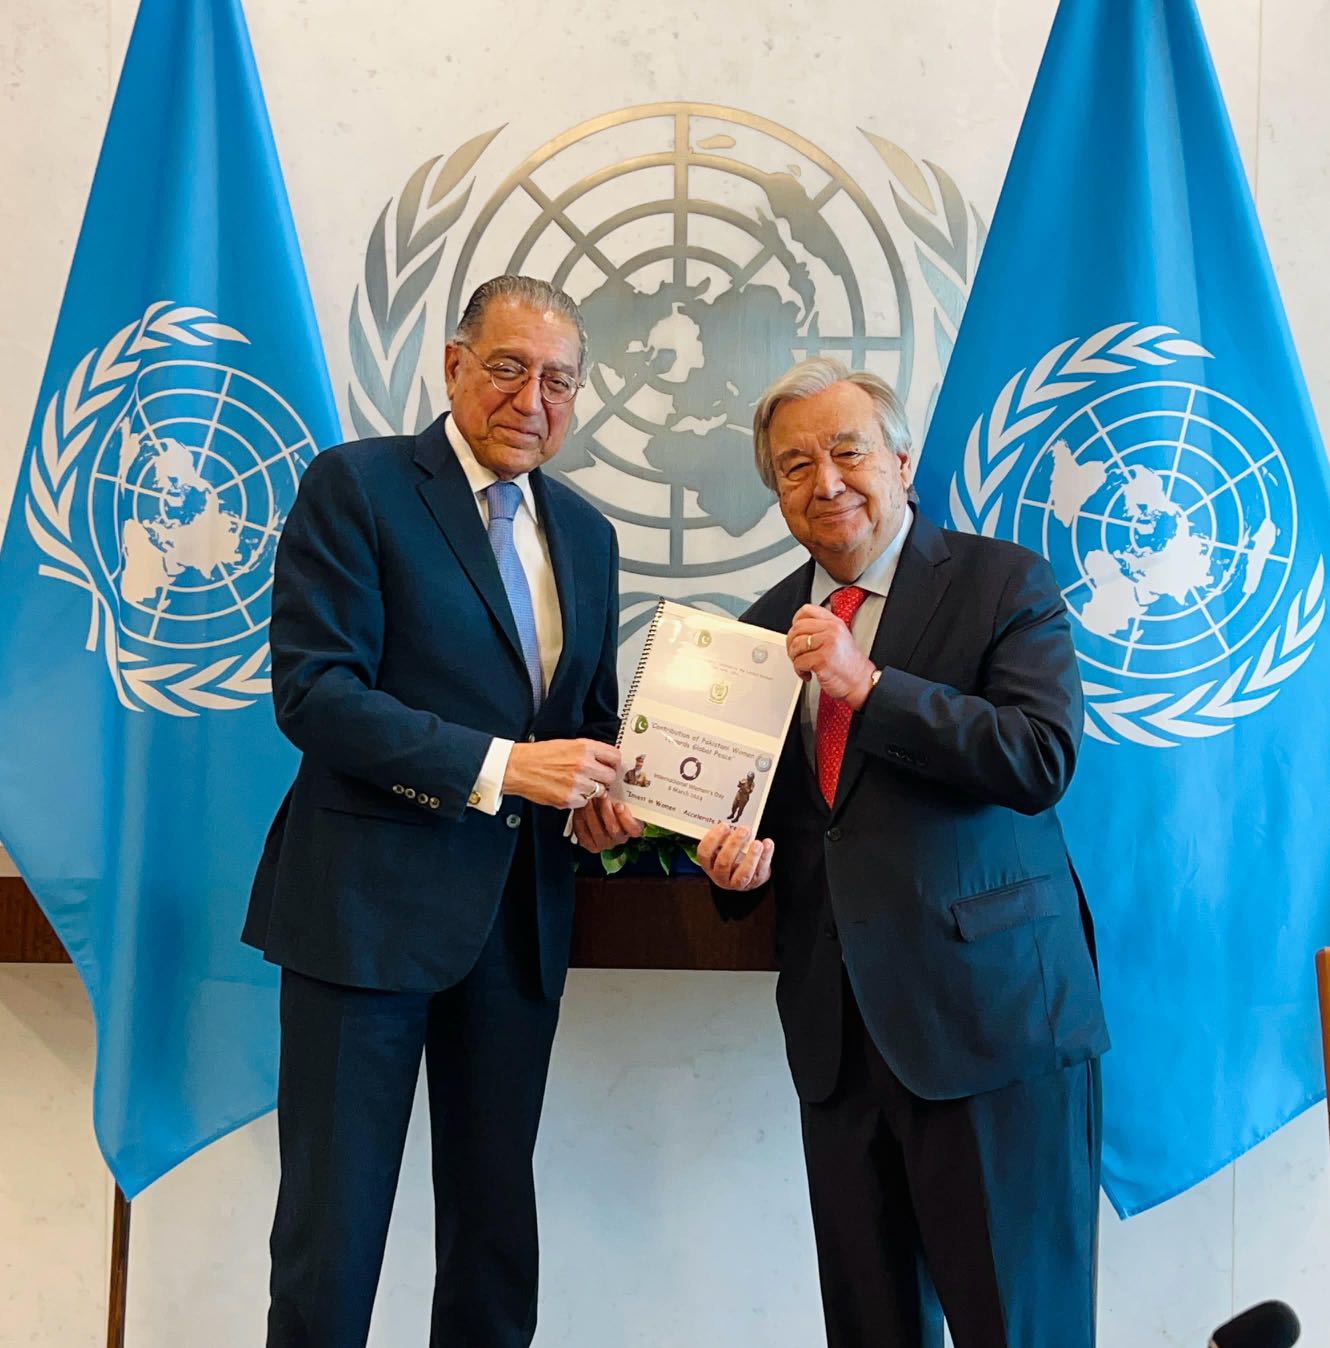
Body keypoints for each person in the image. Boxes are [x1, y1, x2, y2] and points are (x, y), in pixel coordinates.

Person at [243, 275, 635, 1348]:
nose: (533, 397)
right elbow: (316, 693)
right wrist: (509, 768)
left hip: (516, 928)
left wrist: (608, 804)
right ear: (454, 364)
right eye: (508, 367)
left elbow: (583, 728)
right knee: (333, 1234)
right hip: (363, 919)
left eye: (559, 379)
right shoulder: (358, 486)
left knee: (493, 1236)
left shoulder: (590, 537)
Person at [695, 356, 1108, 1346]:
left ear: (901, 459)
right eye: (794, 466)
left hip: (992, 1028)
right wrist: (728, 870)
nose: (825, 481)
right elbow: (770, 830)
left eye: (847, 451)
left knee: (1021, 1328)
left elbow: (1037, 756)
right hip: (838, 1048)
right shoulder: (754, 634)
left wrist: (867, 685)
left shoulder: (1003, 581)